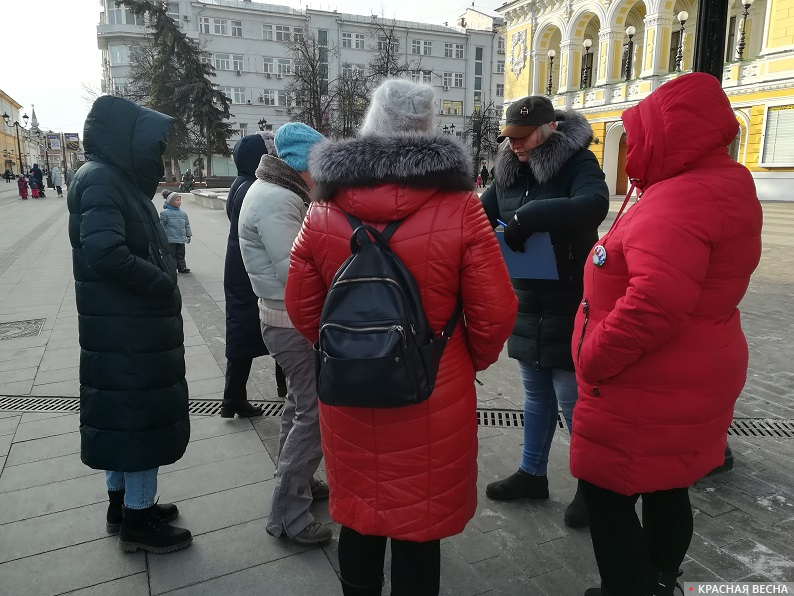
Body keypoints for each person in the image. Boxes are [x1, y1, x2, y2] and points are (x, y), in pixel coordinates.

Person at [285, 79, 517, 595]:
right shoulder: (461, 207)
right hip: (433, 387)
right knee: (419, 525)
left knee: (361, 516)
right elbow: (495, 311)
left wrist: (347, 348)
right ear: (429, 129)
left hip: (349, 389)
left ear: (370, 123)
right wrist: (461, 359)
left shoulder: (324, 208)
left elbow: (302, 309)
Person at [571, 73, 763, 596]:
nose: (634, 145)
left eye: (642, 133)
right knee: (666, 484)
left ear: (669, 134)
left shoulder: (680, 198)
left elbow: (656, 302)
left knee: (608, 496)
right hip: (690, 371)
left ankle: (629, 588)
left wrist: (593, 356)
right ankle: (660, 580)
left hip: (646, 381)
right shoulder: (722, 183)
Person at [67, 95, 192, 554]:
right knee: (138, 423)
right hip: (128, 330)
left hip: (122, 328)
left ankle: (123, 508)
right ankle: (139, 522)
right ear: (128, 140)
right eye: (153, 146)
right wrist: (160, 283)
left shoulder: (107, 177)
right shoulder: (103, 181)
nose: (156, 157)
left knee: (124, 422)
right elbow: (105, 253)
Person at [480, 95, 609, 529]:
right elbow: (480, 213)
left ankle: (594, 488)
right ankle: (532, 473)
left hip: (570, 296)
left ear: (550, 127)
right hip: (527, 297)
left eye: (522, 137)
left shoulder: (578, 162)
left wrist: (531, 215)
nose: (514, 145)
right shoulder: (508, 166)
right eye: (509, 138)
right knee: (535, 396)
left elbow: (594, 203)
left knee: (572, 400)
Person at [238, 122, 330, 545]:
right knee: (313, 415)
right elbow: (295, 272)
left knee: (298, 405)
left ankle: (299, 484)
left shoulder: (277, 192)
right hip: (291, 322)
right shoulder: (277, 200)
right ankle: (287, 514)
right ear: (302, 165)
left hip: (283, 318)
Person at [222, 132, 287, 418]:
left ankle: (234, 397)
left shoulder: (241, 183)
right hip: (251, 271)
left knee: (243, 334)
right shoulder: (256, 188)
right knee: (276, 325)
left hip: (240, 267)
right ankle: (236, 397)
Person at [159, 190, 192, 273]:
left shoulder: (183, 213)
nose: (179, 202)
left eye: (180, 200)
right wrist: (161, 237)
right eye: (177, 200)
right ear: (170, 202)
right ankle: (172, 268)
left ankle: (182, 267)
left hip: (180, 238)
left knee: (181, 254)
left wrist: (188, 235)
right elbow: (161, 225)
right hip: (170, 239)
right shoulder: (164, 213)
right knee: (172, 254)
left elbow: (187, 225)